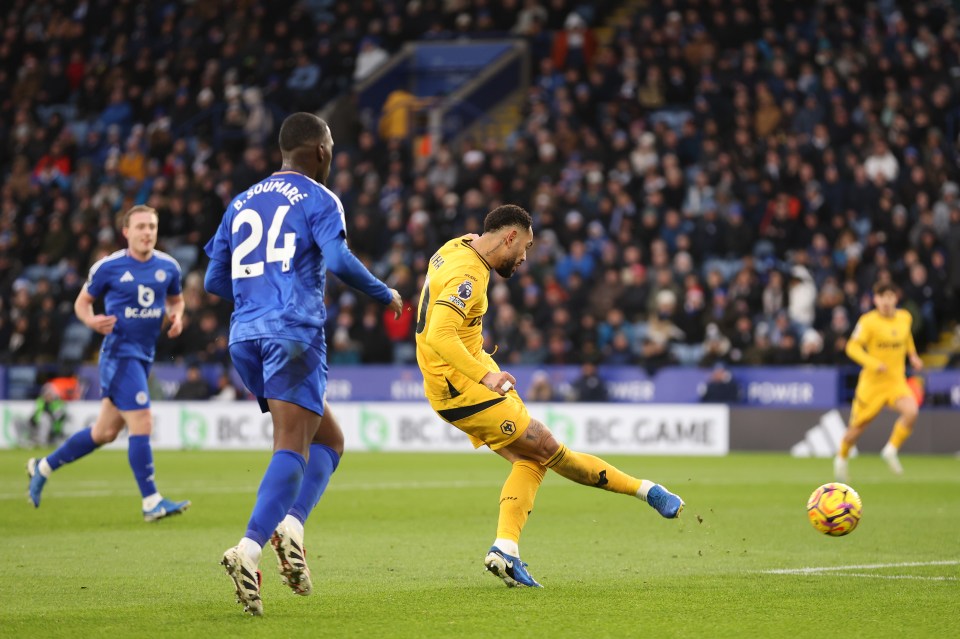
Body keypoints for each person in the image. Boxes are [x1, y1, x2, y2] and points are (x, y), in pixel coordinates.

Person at [414, 204, 683, 589]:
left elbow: (445, 305)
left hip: (453, 382)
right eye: (524, 247)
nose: (524, 257)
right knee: (548, 449)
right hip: (462, 386)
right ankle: (646, 490)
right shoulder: (468, 271)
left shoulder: (458, 247)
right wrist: (485, 374)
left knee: (532, 461)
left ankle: (506, 548)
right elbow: (441, 334)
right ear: (508, 237)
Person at [203, 112, 402, 616]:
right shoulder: (319, 197)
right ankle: (248, 550)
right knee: (292, 444)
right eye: (331, 145)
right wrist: (384, 292)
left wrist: (253, 299)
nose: (332, 155)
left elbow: (211, 281)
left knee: (329, 440)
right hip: (292, 333)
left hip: (244, 337)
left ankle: (291, 525)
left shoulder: (241, 201)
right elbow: (336, 262)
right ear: (317, 150)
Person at [26, 205, 191, 522]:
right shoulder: (108, 267)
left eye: (152, 227)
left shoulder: (169, 267)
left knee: (104, 433)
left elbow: (176, 299)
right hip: (118, 355)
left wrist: (177, 316)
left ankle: (42, 466)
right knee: (142, 420)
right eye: (141, 226)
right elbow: (81, 303)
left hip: (144, 355)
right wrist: (91, 321)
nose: (147, 233)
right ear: (126, 232)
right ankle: (151, 501)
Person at [834, 282, 924, 482]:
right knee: (855, 431)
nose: (885, 301)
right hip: (872, 384)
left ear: (895, 298)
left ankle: (890, 450)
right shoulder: (868, 322)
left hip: (895, 382)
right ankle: (841, 459)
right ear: (875, 300)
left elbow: (907, 338)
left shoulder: (904, 318)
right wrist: (873, 363)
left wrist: (914, 356)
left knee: (912, 411)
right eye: (881, 297)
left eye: (889, 296)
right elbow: (852, 348)